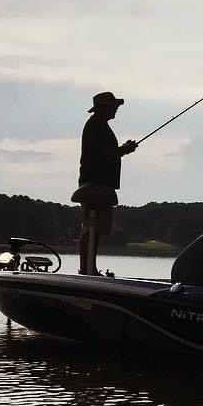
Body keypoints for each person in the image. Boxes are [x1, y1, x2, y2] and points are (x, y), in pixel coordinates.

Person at [73, 91, 137, 275]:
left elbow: (106, 152)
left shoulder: (99, 125)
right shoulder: (96, 126)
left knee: (95, 229)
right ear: (104, 108)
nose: (116, 109)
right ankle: (87, 269)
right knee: (91, 228)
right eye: (114, 106)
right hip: (95, 183)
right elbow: (104, 154)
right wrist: (124, 149)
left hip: (99, 183)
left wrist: (123, 149)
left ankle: (88, 268)